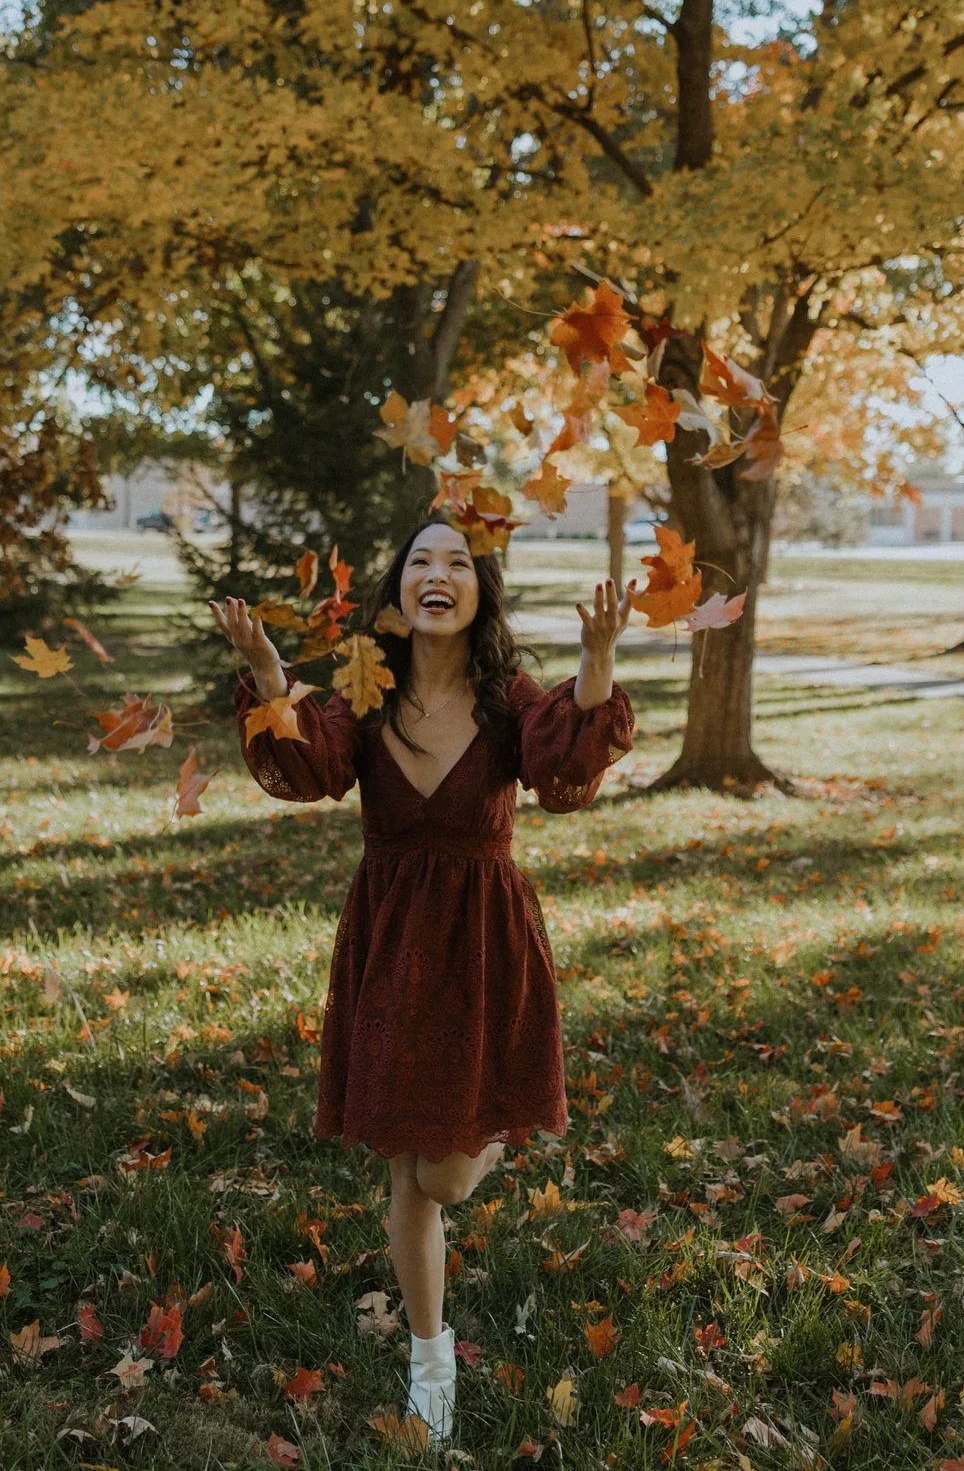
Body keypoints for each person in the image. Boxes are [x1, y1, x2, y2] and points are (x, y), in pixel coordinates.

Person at [212, 519, 635, 1446]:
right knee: (408, 1171)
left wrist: (597, 663)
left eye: (456, 563)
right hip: (392, 948)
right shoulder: (366, 698)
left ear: (480, 590)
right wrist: (273, 673)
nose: (436, 574)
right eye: (419, 561)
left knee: (443, 1172)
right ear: (397, 589)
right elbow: (307, 762)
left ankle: (500, 1123)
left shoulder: (508, 697)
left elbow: (565, 764)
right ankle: (429, 1358)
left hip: (484, 946)